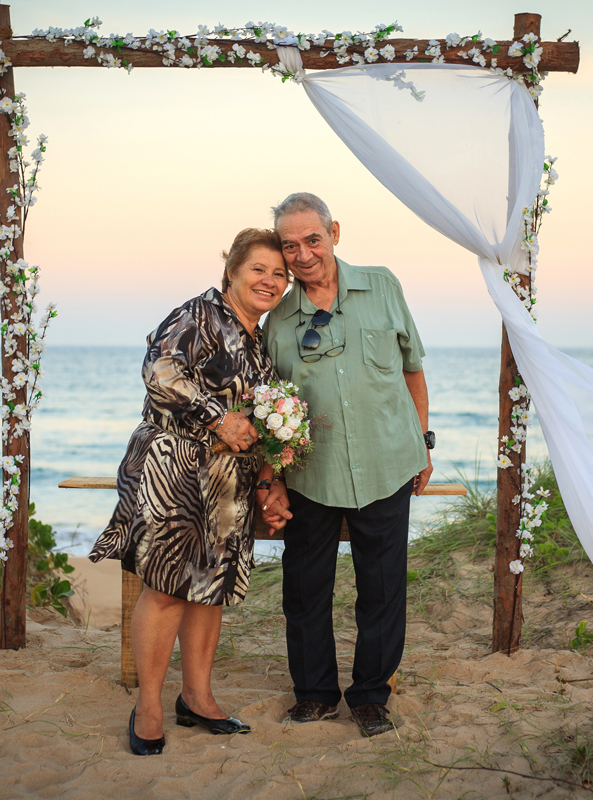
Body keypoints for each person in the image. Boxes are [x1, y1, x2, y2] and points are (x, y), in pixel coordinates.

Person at [88, 228, 291, 756]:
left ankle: (197, 697)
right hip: (173, 464)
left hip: (229, 480)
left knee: (211, 587)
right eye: (259, 270)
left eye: (279, 274)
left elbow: (267, 421)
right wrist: (217, 417)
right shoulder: (197, 316)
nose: (270, 281)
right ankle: (149, 705)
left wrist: (270, 481)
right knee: (167, 587)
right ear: (232, 272)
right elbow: (158, 371)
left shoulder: (260, 341)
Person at [258, 193, 433, 738]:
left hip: (387, 463)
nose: (303, 254)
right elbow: (268, 406)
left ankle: (371, 698)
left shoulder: (382, 286)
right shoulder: (278, 319)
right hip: (312, 473)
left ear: (334, 231)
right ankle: (313, 695)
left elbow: (412, 371)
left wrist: (423, 443)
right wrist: (273, 481)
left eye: (313, 239)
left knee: (382, 588)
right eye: (290, 245)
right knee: (305, 590)